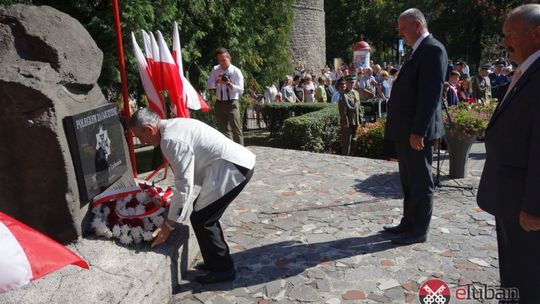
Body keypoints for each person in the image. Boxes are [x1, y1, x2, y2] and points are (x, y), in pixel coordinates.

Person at [128, 108, 256, 284]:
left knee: (203, 218)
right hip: (232, 166)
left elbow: (184, 184)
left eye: (140, 136)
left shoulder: (171, 140)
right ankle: (216, 262)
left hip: (233, 168)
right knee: (204, 215)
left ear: (149, 129)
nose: (143, 141)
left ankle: (222, 269)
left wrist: (168, 225)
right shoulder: (172, 127)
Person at [477, 4, 540, 303]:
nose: (505, 43)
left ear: (537, 34)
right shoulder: (527, 70)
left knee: (528, 275)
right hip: (510, 198)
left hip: (526, 205)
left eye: (510, 34)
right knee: (514, 270)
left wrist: (535, 206)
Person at [383, 8, 447, 245]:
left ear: (417, 25)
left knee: (421, 182)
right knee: (408, 181)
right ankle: (408, 222)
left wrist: (418, 131)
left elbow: (429, 95)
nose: (400, 34)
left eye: (403, 28)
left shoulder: (433, 50)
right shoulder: (416, 51)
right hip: (406, 130)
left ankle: (419, 230)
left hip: (416, 132)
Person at [206, 48, 245, 145]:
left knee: (236, 129)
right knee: (223, 130)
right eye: (219, 60)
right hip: (219, 103)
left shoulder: (236, 71)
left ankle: (241, 153)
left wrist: (229, 84)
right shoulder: (215, 69)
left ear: (229, 58)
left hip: (232, 102)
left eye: (223, 60)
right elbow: (208, 85)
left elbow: (241, 90)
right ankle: (229, 152)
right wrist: (216, 82)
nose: (221, 63)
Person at [337, 76, 362, 156]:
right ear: (346, 83)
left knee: (354, 140)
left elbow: (359, 107)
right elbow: (342, 110)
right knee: (346, 142)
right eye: (350, 83)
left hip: (356, 120)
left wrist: (361, 118)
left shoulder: (356, 93)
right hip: (348, 122)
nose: (352, 84)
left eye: (353, 83)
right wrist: (345, 121)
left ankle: (352, 156)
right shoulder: (343, 94)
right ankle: (345, 158)